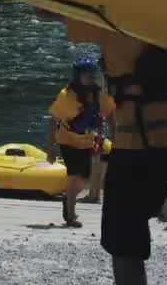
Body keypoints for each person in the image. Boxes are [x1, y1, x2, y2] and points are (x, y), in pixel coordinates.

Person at [37, 9, 167, 285]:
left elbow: (44, 8)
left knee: (122, 228)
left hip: (142, 143)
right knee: (133, 220)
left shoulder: (116, 19)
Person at [47, 55, 116, 227]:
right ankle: (70, 216)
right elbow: (53, 120)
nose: (92, 77)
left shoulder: (100, 93)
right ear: (78, 76)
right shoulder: (66, 97)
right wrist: (51, 146)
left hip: (87, 140)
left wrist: (116, 135)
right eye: (87, 74)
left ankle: (72, 198)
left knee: (83, 179)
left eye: (93, 73)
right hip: (68, 140)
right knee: (75, 175)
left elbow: (110, 114)